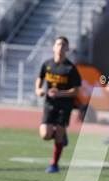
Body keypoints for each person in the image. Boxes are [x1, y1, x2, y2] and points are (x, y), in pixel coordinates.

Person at [35, 36, 81, 173]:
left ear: (67, 49)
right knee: (45, 135)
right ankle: (61, 135)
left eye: (63, 45)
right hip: (49, 104)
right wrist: (39, 90)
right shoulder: (47, 64)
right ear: (53, 47)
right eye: (58, 44)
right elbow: (40, 79)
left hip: (64, 105)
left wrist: (60, 93)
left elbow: (76, 90)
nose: (60, 47)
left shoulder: (70, 68)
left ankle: (54, 164)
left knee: (59, 133)